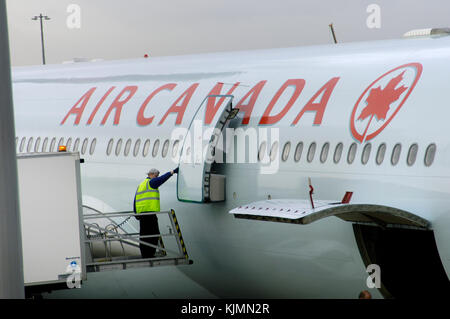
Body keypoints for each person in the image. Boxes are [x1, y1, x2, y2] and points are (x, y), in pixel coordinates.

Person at [134, 167, 178, 258]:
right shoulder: (151, 183)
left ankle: (145, 254)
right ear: (151, 174)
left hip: (142, 214)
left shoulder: (142, 184)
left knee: (144, 235)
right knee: (154, 233)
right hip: (149, 214)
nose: (157, 177)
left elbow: (135, 200)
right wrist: (172, 172)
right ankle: (150, 254)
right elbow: (161, 179)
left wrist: (136, 213)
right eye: (156, 175)